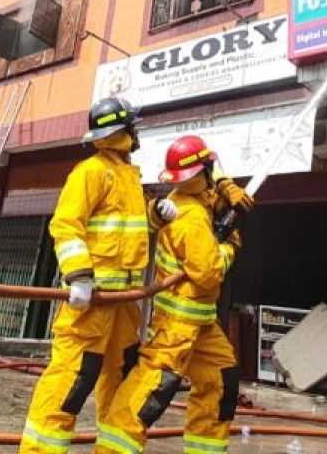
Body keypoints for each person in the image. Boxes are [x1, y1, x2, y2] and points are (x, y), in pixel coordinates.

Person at [20, 98, 176, 454]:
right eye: (132, 126)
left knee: (120, 384)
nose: (137, 132)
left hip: (124, 305)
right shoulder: (90, 172)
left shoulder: (127, 175)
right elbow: (65, 225)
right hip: (93, 305)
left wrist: (156, 216)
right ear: (122, 130)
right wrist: (78, 277)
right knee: (71, 382)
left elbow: (127, 231)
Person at [94, 135, 254, 454]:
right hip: (178, 324)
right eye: (209, 170)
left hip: (203, 325)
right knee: (151, 390)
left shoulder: (188, 198)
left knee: (220, 381)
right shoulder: (191, 218)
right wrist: (229, 246)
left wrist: (223, 187)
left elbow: (207, 189)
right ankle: (112, 449)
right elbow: (208, 274)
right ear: (201, 172)